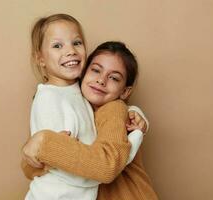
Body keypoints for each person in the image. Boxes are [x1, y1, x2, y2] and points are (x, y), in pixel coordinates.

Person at [24, 13, 147, 200]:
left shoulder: (95, 101)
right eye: (57, 45)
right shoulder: (55, 97)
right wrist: (34, 154)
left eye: (77, 43)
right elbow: (44, 162)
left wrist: (135, 122)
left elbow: (104, 165)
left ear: (125, 91)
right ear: (40, 59)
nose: (100, 80)